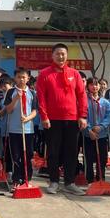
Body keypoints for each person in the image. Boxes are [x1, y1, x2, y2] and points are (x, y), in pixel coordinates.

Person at [36, 43, 88, 195]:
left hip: (72, 119)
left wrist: (83, 115)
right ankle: (53, 182)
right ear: (52, 56)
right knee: (53, 152)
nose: (60, 56)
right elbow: (41, 98)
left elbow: (81, 95)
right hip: (52, 120)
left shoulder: (75, 73)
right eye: (57, 54)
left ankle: (70, 182)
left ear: (67, 56)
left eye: (63, 54)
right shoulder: (45, 74)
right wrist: (44, 116)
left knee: (71, 152)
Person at [4, 68, 37, 190]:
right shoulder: (11, 92)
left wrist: (27, 118)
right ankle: (16, 180)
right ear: (15, 78)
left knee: (28, 155)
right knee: (16, 156)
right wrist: (16, 99)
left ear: (28, 78)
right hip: (14, 130)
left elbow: (34, 111)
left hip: (28, 130)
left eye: (24, 77)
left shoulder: (32, 93)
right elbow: (8, 110)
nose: (21, 79)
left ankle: (27, 178)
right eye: (18, 77)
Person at [83, 78, 110, 185]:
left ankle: (101, 178)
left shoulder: (105, 102)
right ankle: (90, 180)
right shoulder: (84, 100)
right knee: (89, 158)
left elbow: (109, 116)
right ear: (88, 86)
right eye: (91, 85)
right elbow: (82, 116)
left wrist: (101, 127)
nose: (94, 87)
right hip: (88, 135)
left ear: (100, 86)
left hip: (102, 135)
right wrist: (89, 129)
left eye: (96, 85)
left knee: (102, 159)